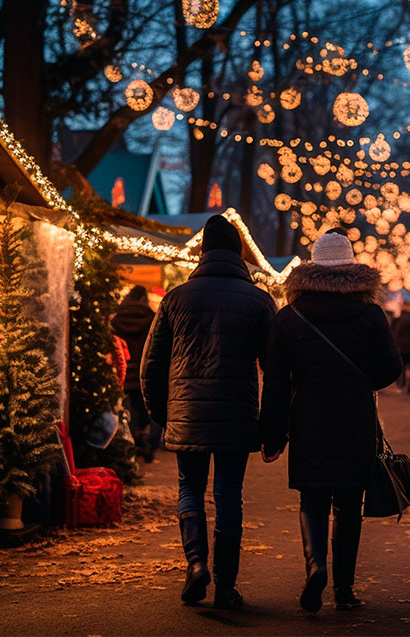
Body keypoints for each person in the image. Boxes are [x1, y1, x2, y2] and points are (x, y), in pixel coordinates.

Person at [260, 232, 403, 612]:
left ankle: (315, 566)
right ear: (353, 268)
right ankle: (344, 590)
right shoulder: (370, 314)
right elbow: (392, 368)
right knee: (348, 503)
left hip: (307, 417)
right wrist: (361, 382)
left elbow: (275, 382)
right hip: (355, 418)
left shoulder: (289, 317)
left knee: (312, 496)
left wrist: (272, 436)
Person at [140, 215, 276, 609]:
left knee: (189, 490)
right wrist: (270, 425)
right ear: (238, 254)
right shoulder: (258, 301)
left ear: (202, 253)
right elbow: (274, 368)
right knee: (229, 495)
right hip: (237, 416)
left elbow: (151, 365)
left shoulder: (176, 298)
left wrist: (163, 414)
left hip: (187, 413)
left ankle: (196, 564)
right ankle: (227, 586)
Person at [112, 285, 158, 462]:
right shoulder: (152, 319)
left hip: (125, 373)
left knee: (130, 412)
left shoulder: (117, 320)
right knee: (150, 410)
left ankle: (135, 443)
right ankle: (148, 444)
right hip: (145, 373)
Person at [392, 304, 410, 394]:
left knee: (402, 366)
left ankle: (401, 384)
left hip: (400, 346)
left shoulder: (398, 320)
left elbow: (393, 332)